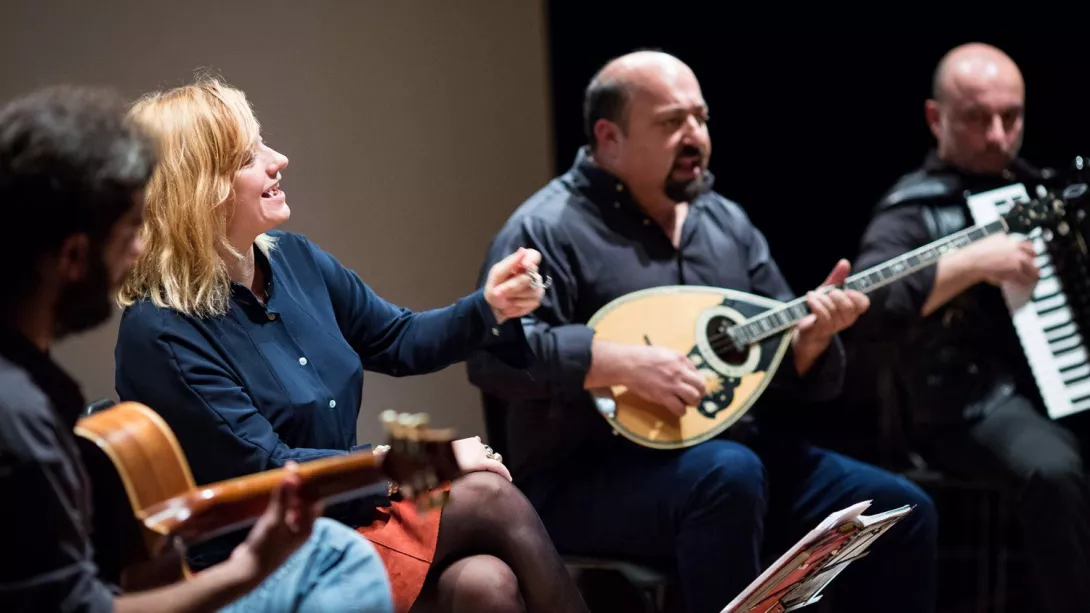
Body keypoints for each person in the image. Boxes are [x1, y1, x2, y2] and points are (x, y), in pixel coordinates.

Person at [467, 50, 939, 613]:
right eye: (671, 123)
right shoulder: (546, 228)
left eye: (700, 119)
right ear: (608, 137)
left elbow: (778, 357)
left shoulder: (725, 223)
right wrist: (611, 362)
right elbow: (493, 355)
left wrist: (811, 343)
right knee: (729, 476)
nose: (695, 136)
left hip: (730, 457)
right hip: (585, 475)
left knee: (899, 510)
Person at [112, 75, 589, 613]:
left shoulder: (293, 259)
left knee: (485, 583)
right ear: (201, 189)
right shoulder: (162, 330)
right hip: (260, 557)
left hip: (344, 516)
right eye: (250, 156)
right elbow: (267, 467)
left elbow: (399, 338)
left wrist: (491, 307)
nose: (278, 159)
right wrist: (414, 464)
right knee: (489, 497)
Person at [0, 85, 393, 613]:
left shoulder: (29, 403)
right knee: (335, 555)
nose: (139, 249)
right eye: (127, 232)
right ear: (74, 255)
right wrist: (247, 569)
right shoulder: (19, 424)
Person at [851, 42, 1090, 613]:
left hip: (1049, 390)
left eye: (1012, 118)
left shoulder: (1039, 191)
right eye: (978, 119)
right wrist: (970, 264)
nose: (999, 136)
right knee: (1053, 471)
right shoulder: (910, 210)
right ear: (937, 118)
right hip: (962, 405)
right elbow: (867, 302)